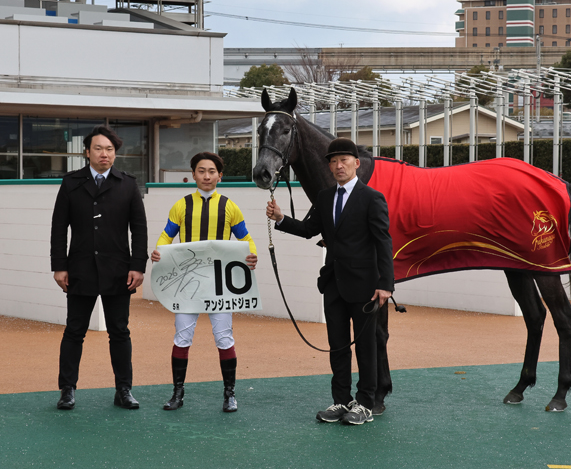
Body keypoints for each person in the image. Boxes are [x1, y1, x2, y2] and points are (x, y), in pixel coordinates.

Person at [266, 138, 394, 425]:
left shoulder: (372, 198)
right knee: (337, 345)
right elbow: (309, 229)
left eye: (344, 160)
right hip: (333, 284)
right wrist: (281, 218)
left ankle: (365, 403)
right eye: (333, 161)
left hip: (365, 286)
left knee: (366, 347)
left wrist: (386, 284)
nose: (338, 166)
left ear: (356, 164)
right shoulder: (324, 197)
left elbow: (383, 242)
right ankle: (341, 400)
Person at [150, 152, 257, 413]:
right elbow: (166, 236)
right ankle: (177, 393)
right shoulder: (181, 206)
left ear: (220, 176)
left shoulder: (230, 206)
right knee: (182, 337)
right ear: (193, 174)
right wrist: (158, 252)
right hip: (187, 284)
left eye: (211, 171)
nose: (206, 176)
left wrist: (251, 255)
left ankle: (230, 394)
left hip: (220, 284)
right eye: (201, 171)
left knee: (224, 338)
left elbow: (246, 239)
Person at [51, 125, 148, 410]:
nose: (104, 154)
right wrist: (59, 266)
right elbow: (59, 228)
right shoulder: (71, 183)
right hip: (79, 269)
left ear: (115, 154)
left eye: (109, 149)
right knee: (74, 330)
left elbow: (139, 229)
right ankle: (67, 389)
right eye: (98, 148)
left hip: (118, 270)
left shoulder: (127, 184)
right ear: (87, 152)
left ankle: (124, 390)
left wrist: (137, 266)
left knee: (119, 331)